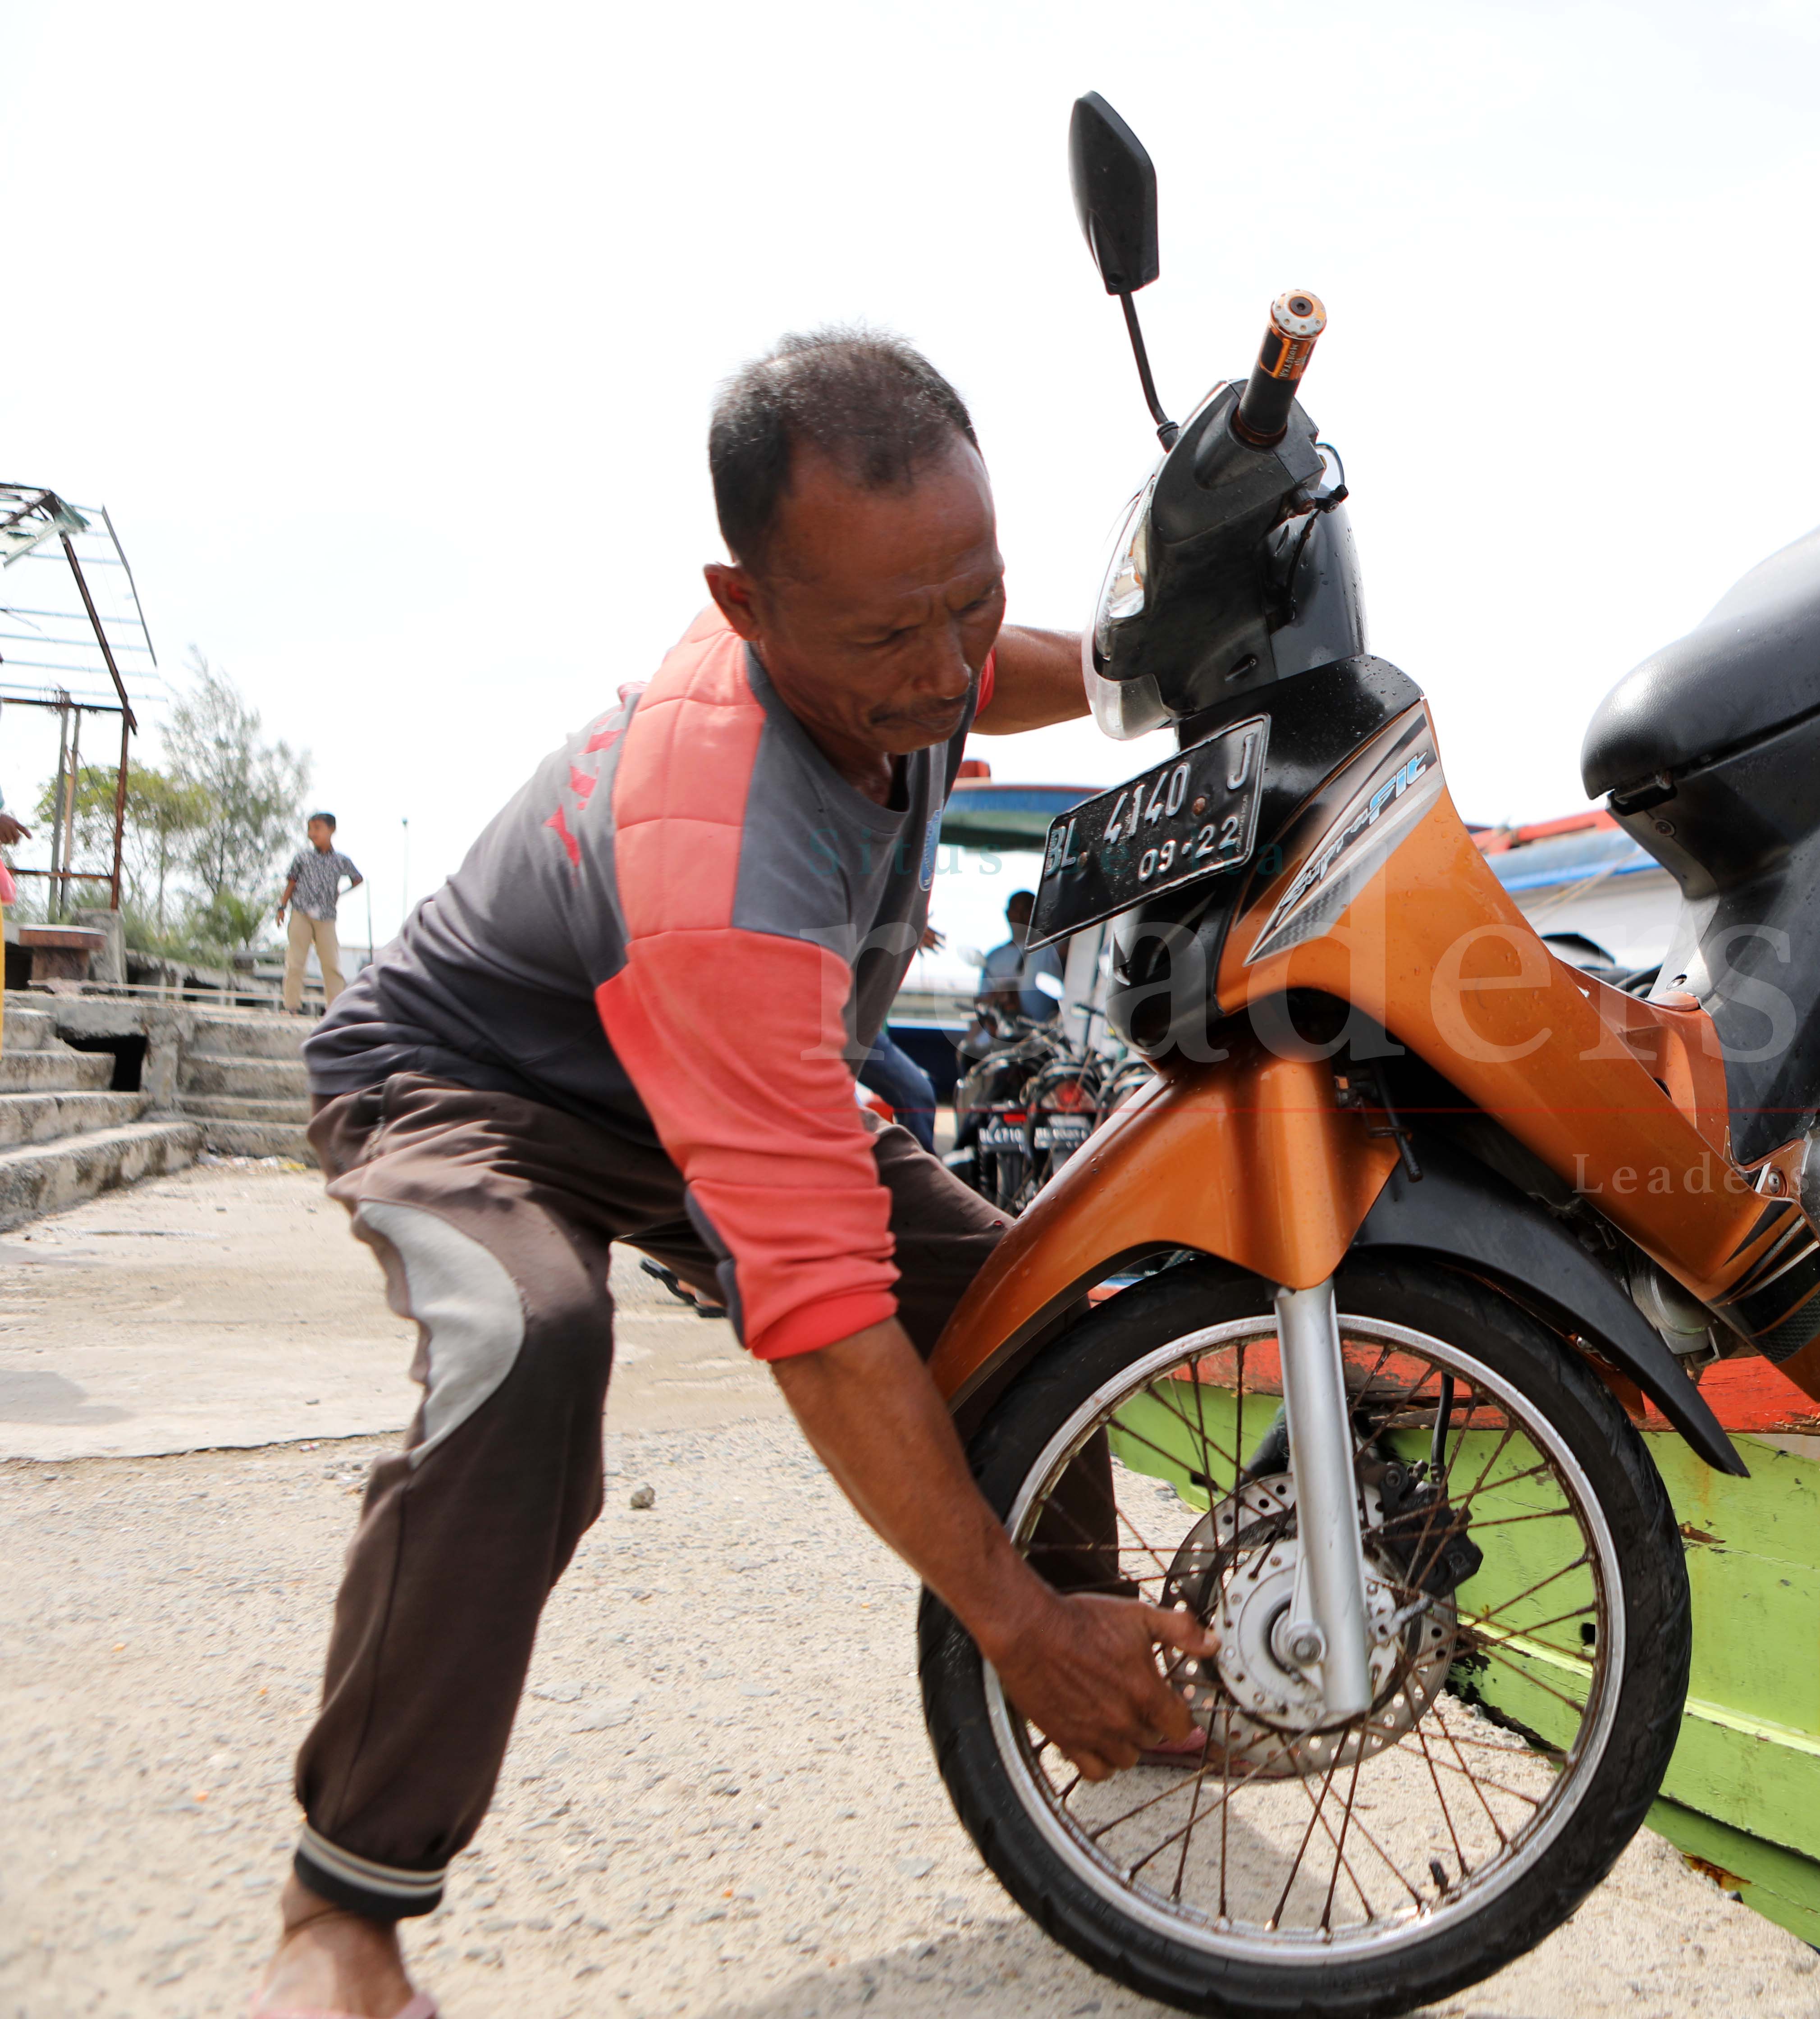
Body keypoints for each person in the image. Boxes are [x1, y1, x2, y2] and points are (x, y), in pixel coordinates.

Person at [252, 329, 1216, 2019]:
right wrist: (995, 1617)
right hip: (485, 1084)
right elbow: (826, 1329)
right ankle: (343, 1906)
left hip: (727, 1062)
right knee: (527, 1346)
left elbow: (987, 672)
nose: (935, 677)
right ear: (745, 603)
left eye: (966, 601)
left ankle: (1119, 1686)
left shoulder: (908, 637)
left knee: (1026, 1294)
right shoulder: (720, 837)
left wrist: (1176, 672)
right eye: (879, 636)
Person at [275, 812, 364, 1013]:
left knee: (331, 964)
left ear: (331, 830)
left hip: (326, 918)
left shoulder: (341, 861)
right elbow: (292, 882)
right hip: (301, 913)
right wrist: (282, 907)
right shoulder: (303, 858)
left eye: (318, 828)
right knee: (296, 962)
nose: (312, 833)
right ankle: (291, 1006)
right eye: (310, 829)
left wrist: (341, 893)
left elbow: (358, 879)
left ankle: (335, 1008)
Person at [981, 888, 1065, 1025]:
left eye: (1026, 910)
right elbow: (982, 1002)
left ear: (1038, 912)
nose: (1020, 916)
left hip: (1042, 1037)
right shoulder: (993, 958)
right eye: (1016, 910)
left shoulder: (1051, 946)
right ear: (1008, 914)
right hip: (1005, 1037)